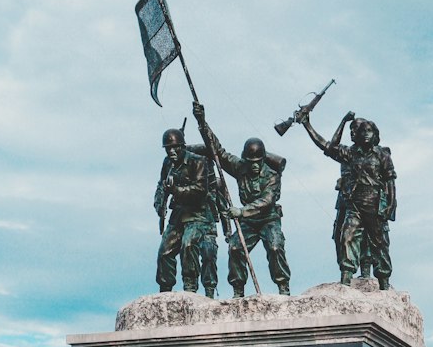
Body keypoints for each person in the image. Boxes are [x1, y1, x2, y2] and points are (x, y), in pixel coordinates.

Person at [192, 103, 291, 297]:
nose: (254, 166)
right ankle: (238, 289)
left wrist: (241, 211)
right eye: (251, 162)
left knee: (275, 246)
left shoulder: (272, 175)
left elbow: (267, 200)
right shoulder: (240, 168)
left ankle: (283, 286)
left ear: (263, 159)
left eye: (258, 162)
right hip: (249, 222)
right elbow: (217, 151)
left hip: (268, 219)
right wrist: (202, 122)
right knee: (235, 247)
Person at [298, 109, 396, 288]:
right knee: (346, 237)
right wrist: (313, 124)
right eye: (361, 131)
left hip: (374, 203)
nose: (364, 134)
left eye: (368, 131)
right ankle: (346, 279)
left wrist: (390, 206)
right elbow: (329, 146)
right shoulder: (351, 154)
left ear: (375, 134)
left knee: (379, 243)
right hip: (354, 204)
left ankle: (384, 283)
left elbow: (390, 181)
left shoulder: (382, 154)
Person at [153, 126, 219, 295]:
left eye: (175, 148)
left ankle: (190, 287)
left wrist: (175, 190)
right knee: (164, 251)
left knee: (188, 244)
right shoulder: (167, 163)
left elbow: (199, 190)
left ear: (183, 147)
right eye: (168, 149)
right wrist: (159, 203)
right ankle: (165, 289)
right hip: (179, 213)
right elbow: (161, 185)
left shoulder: (198, 162)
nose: (172, 151)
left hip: (198, 212)